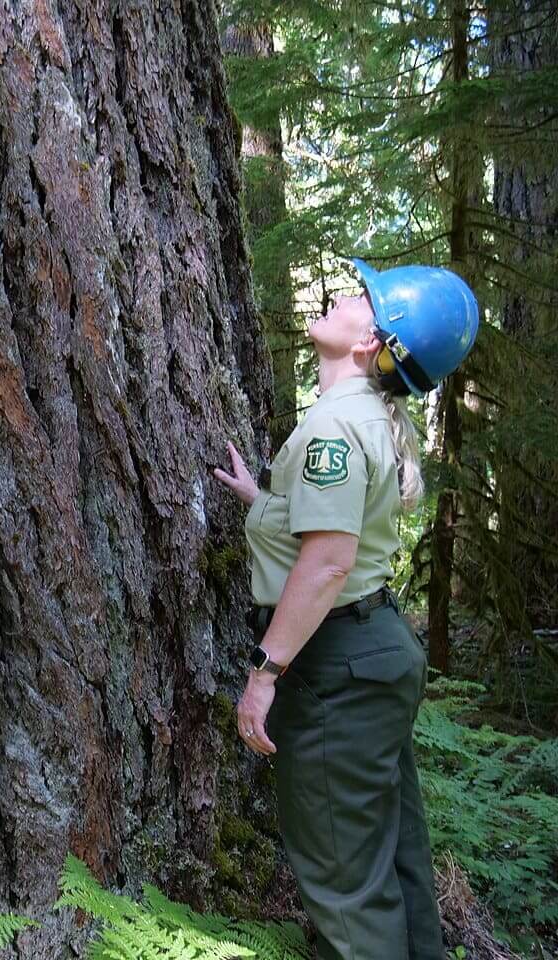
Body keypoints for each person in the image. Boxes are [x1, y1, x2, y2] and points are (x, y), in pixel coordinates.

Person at [212, 257, 479, 960]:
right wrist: (264, 504)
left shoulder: (334, 428)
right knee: (397, 861)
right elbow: (336, 533)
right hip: (374, 653)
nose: (343, 296)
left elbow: (329, 562)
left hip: (337, 667)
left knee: (348, 888)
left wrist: (264, 673)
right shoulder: (363, 419)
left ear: (371, 343)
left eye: (364, 298)